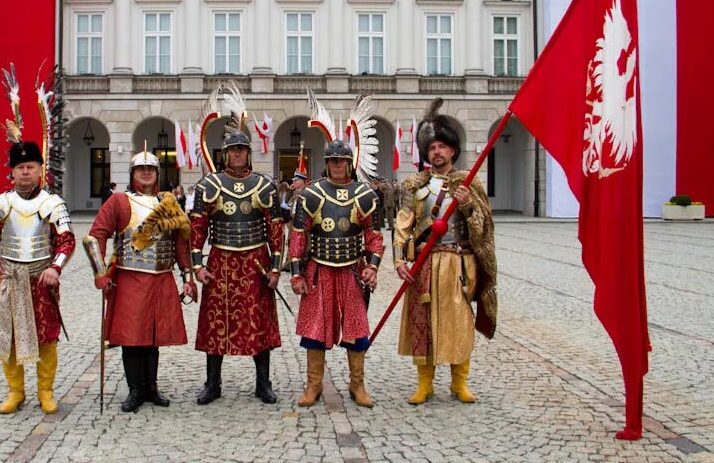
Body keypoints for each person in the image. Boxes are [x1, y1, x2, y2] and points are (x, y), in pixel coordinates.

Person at [393, 98, 497, 405]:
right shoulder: (415, 185)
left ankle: (459, 382)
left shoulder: (469, 183)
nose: (437, 152)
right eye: (432, 148)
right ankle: (424, 384)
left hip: (459, 265)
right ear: (427, 153)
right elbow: (403, 225)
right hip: (425, 262)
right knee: (421, 322)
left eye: (442, 147)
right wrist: (400, 258)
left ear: (452, 150)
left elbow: (484, 227)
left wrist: (465, 204)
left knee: (459, 323)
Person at [0, 140, 75, 414]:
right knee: (9, 336)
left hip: (41, 279)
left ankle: (45, 391)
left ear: (40, 170)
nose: (25, 172)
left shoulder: (52, 203)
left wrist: (55, 268)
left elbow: (67, 241)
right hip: (10, 279)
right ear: (12, 172)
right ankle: (15, 391)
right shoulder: (3, 203)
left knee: (47, 338)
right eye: (20, 167)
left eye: (30, 167)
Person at [86, 151, 197, 412]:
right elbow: (95, 236)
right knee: (132, 336)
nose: (146, 173)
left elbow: (181, 243)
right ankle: (135, 389)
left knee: (154, 336)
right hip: (129, 277)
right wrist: (100, 271)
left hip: (160, 277)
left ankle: (151, 387)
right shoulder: (118, 202)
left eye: (151, 169)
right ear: (132, 174)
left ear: (158, 174)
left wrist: (187, 277)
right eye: (140, 169)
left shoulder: (168, 203)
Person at [190, 129, 283, 405]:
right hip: (221, 262)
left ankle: (263, 383)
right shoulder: (208, 186)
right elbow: (197, 228)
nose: (237, 153)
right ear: (225, 154)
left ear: (248, 153)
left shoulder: (265, 186)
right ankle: (212, 383)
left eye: (242, 149)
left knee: (259, 323)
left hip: (256, 263)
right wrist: (197, 266)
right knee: (214, 323)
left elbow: (276, 232)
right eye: (233, 149)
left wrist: (276, 268)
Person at [289, 139, 383, 408]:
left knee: (356, 329)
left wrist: (372, 266)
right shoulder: (311, 194)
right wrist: (296, 273)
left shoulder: (365, 195)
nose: (337, 165)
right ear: (326, 163)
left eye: (341, 160)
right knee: (314, 330)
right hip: (319, 271)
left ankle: (358, 383)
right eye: (332, 160)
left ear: (349, 163)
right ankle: (313, 385)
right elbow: (298, 237)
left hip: (352, 271)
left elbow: (374, 236)